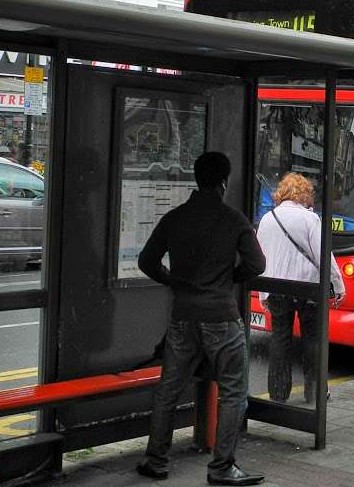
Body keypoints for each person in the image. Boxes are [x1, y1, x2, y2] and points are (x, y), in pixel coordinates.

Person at [135, 152, 266, 487]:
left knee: (169, 389)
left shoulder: (175, 217)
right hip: (221, 316)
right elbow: (257, 265)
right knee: (234, 391)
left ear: (196, 178)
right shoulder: (233, 219)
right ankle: (222, 466)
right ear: (224, 181)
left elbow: (147, 260)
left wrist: (172, 281)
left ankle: (156, 460)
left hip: (183, 316)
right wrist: (228, 279)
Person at [256, 173, 345, 404]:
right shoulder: (309, 219)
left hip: (277, 288)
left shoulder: (267, 219)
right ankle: (314, 392)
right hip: (308, 289)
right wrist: (338, 285)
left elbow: (262, 259)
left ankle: (278, 393)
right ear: (303, 194)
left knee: (279, 340)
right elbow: (324, 255)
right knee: (312, 339)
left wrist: (264, 294)